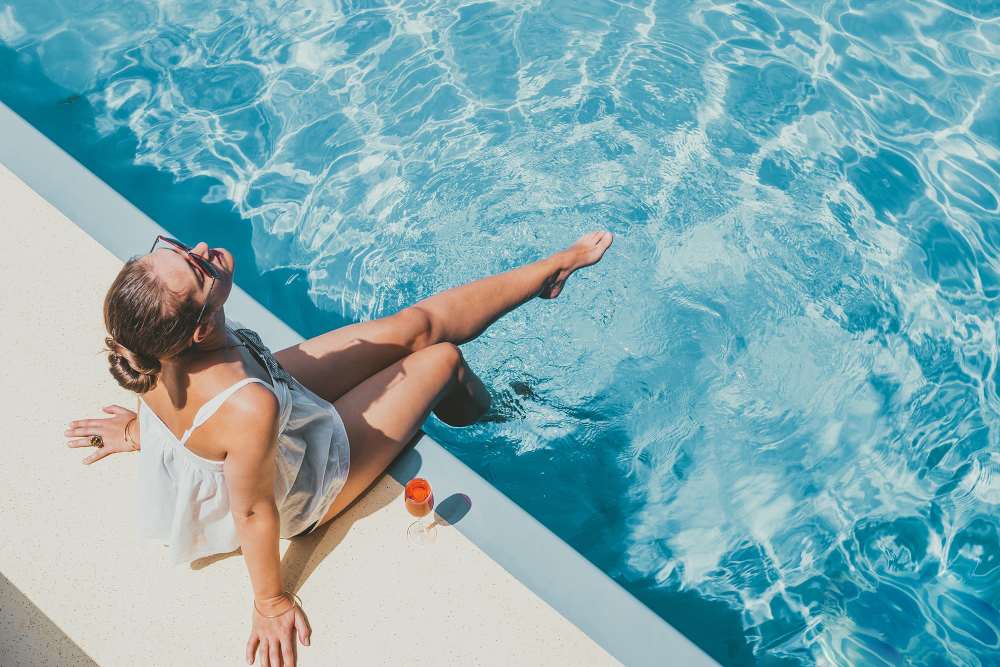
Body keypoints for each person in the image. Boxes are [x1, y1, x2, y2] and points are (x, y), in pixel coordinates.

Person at [64, 230, 614, 667]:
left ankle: (550, 269)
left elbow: (161, 403)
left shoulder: (144, 341)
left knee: (414, 326)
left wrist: (140, 434)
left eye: (178, 251)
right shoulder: (246, 408)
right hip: (306, 481)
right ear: (203, 328)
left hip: (277, 404)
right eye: (199, 269)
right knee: (441, 359)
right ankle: (490, 416)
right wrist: (270, 602)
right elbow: (253, 510)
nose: (202, 250)